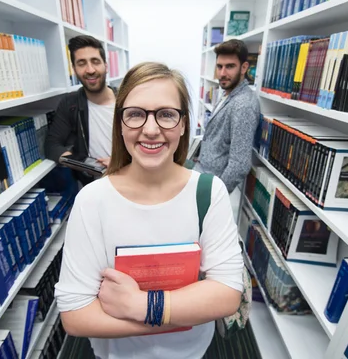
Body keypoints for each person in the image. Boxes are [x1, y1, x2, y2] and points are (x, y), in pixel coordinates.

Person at [54, 62, 243, 359]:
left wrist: (139, 307)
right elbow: (76, 315)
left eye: (167, 114)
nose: (151, 130)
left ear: (183, 124)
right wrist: (176, 317)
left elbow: (228, 293)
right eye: (135, 115)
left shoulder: (209, 192)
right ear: (120, 123)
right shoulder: (92, 200)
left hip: (192, 352)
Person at [45, 35, 116, 186]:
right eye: (82, 63)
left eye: (95, 62)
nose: (90, 70)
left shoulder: (127, 101)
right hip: (94, 187)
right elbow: (52, 145)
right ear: (74, 69)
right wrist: (83, 164)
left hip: (131, 181)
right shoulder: (70, 103)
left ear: (106, 66)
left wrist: (121, 163)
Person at [195, 39, 260, 193]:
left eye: (230, 67)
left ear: (244, 67)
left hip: (212, 187)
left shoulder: (243, 105)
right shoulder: (228, 93)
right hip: (203, 173)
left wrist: (215, 197)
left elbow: (240, 164)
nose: (222, 73)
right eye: (219, 66)